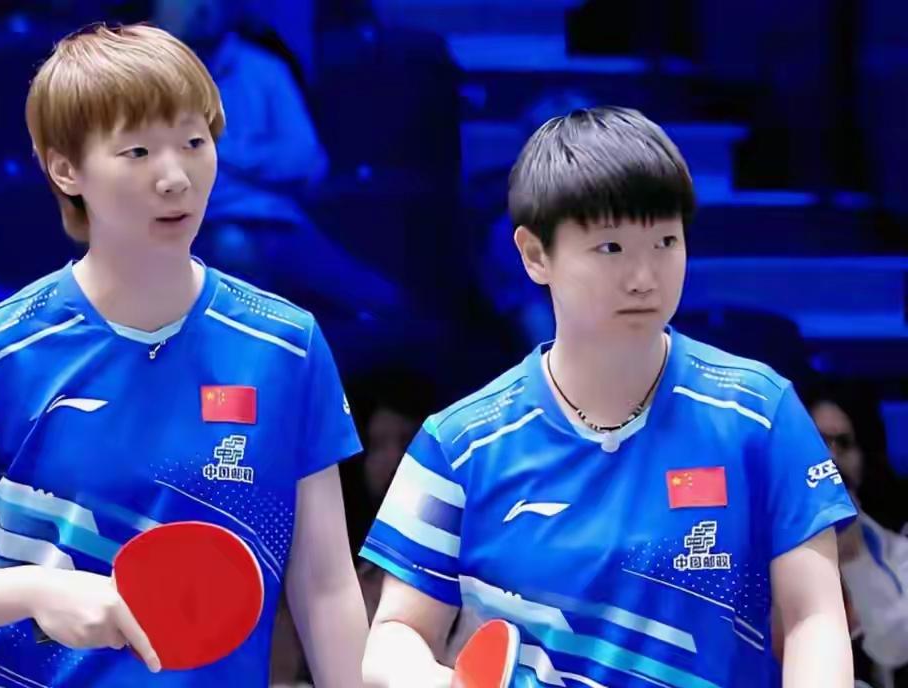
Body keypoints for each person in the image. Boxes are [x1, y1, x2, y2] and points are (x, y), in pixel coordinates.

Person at [0, 22, 368, 687]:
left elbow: (325, 584)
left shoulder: (287, 346)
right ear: (65, 169)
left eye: (194, 143)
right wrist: (37, 591)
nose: (175, 177)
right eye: (137, 151)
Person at [359, 107, 857, 687]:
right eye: (611, 248)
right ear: (535, 254)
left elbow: (814, 619)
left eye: (666, 241)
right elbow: (394, 637)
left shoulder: (760, 414)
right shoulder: (458, 444)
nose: (644, 277)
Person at [152, 0, 404, 319]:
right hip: (192, 230)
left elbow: (307, 162)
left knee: (387, 302)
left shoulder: (264, 70)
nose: (200, 8)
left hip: (277, 221)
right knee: (232, 255)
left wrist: (226, 150)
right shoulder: (143, 81)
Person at [807, 388, 908, 686]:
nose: (831, 456)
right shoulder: (756, 539)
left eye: (844, 443)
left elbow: (895, 650)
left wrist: (855, 556)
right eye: (818, 441)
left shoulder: (897, 552)